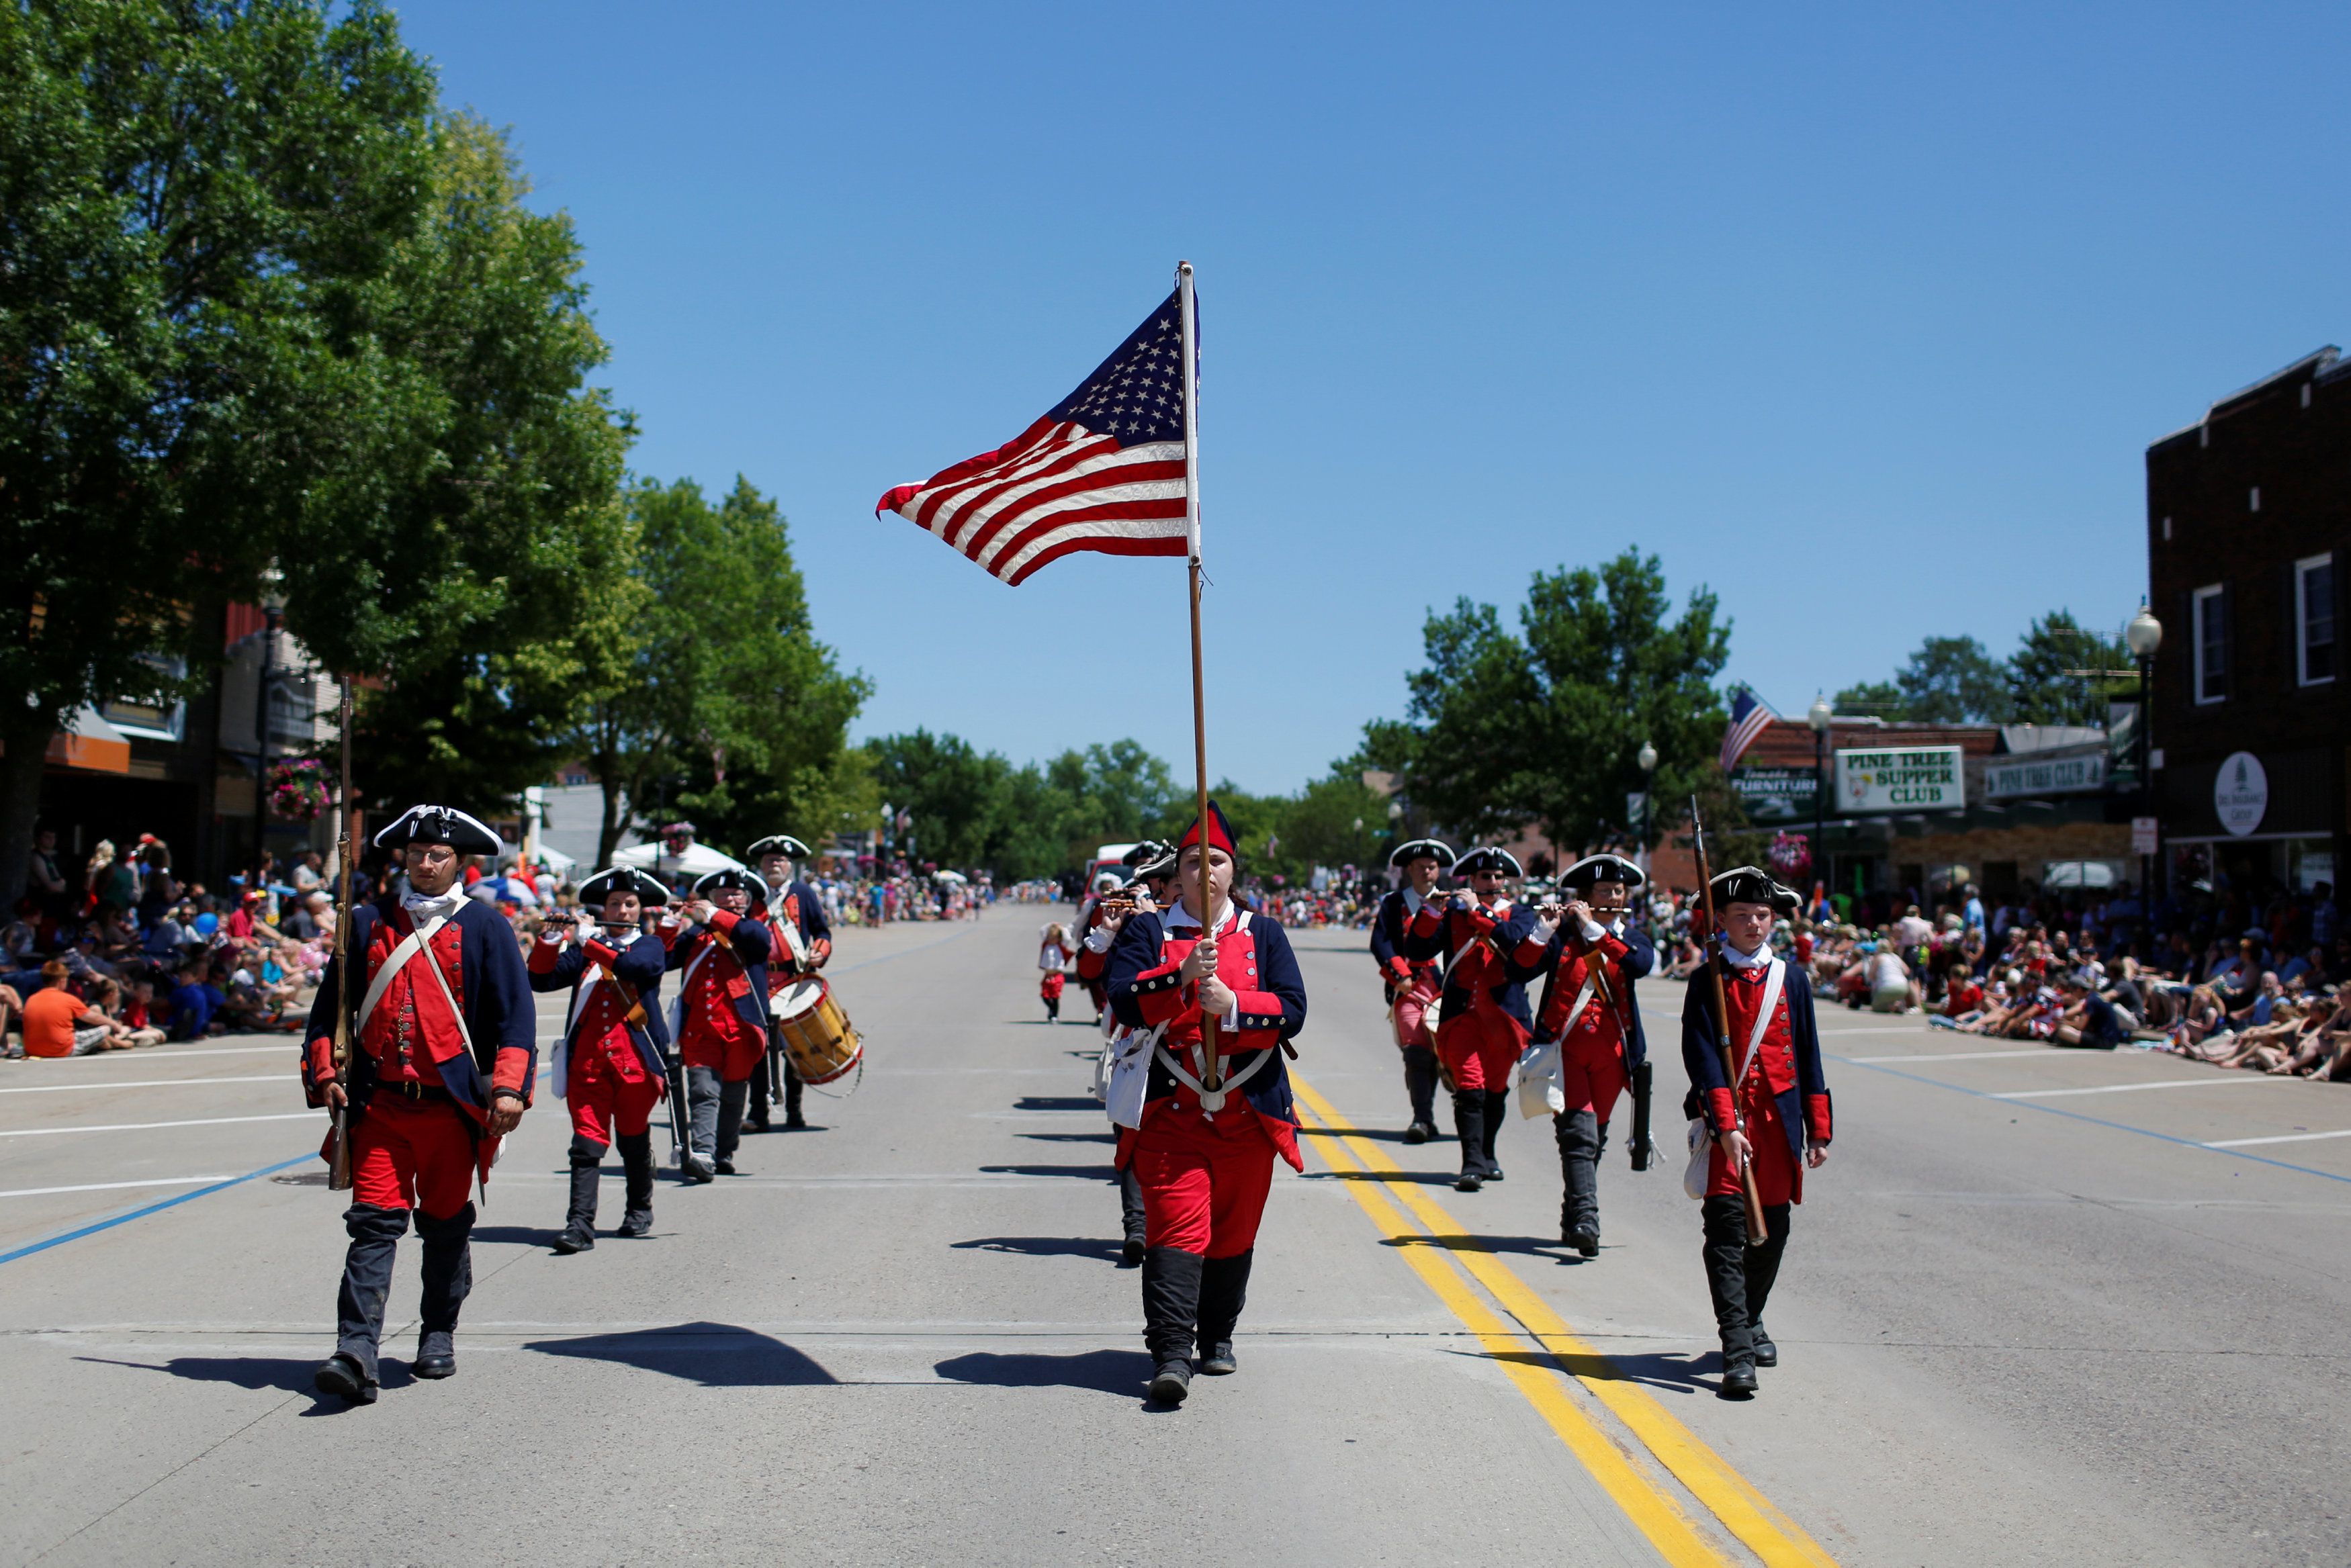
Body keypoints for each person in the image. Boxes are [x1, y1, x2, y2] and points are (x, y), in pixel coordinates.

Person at [300, 805, 537, 1406]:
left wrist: (508, 1086)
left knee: (444, 1229)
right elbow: (331, 1008)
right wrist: (326, 1071)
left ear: (461, 862)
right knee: (373, 1228)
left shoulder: (486, 926)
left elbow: (515, 1016)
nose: (425, 863)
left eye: (438, 855)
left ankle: (438, 1331)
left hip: (452, 1113)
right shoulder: (366, 922)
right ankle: (356, 1349)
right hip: (379, 1109)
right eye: (416, 854)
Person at [1106, 801, 1306, 1407]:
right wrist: (1181, 975)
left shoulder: (1263, 932)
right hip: (1173, 1114)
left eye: (1216, 860)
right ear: (1179, 871)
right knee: (1174, 1230)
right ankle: (1170, 1351)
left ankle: (1217, 1334)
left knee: (1232, 1234)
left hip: (1248, 1114)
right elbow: (1122, 999)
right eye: (1194, 861)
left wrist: (1235, 1007)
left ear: (1232, 870)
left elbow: (1293, 1008)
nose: (1206, 871)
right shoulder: (1148, 931)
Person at [1683, 866, 1830, 1398]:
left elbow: (1809, 1054)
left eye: (1762, 914)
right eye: (1741, 914)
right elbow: (1702, 1059)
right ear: (1720, 919)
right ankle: (1737, 1349)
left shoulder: (1791, 978)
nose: (1753, 923)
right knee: (1725, 1234)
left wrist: (1819, 1130)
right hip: (1731, 1125)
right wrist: (1724, 1126)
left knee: (1771, 1231)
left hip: (1779, 1127)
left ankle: (1752, 1316)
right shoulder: (1707, 979)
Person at [530, 866, 674, 1252]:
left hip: (635, 1067)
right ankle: (579, 1226)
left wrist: (589, 940)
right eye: (614, 903)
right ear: (603, 906)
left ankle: (639, 1208)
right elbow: (541, 980)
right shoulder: (584, 949)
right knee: (586, 1145)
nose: (622, 910)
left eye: (629, 904)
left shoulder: (649, 945)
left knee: (632, 1138)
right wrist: (550, 940)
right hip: (588, 1066)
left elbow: (637, 968)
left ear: (641, 910)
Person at [1523, 853, 1655, 1257]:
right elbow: (1519, 970)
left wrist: (1593, 926)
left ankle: (1573, 1212)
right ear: (1584, 895)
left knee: (1593, 1136)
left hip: (1613, 1056)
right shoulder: (1563, 935)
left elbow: (1639, 966)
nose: (1613, 897)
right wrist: (1543, 932)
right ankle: (1587, 1219)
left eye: (1618, 891)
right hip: (1565, 1052)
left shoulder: (1631, 938)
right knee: (1578, 1135)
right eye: (1603, 891)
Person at [1409, 846, 1540, 1191]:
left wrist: (1478, 910)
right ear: (1472, 879)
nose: (1494, 881)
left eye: (1499, 877)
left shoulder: (1520, 914)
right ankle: (1470, 1162)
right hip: (1462, 1016)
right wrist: (1432, 914)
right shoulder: (1453, 912)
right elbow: (1418, 951)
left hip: (1505, 1019)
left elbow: (1514, 943)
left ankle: (1487, 1154)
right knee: (1470, 1088)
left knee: (1495, 1090)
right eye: (1486, 877)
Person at [1087, 843, 1178, 1264]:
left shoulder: (1227, 923)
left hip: (1195, 1053)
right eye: (1172, 883)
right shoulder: (1139, 925)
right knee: (1130, 1133)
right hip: (1138, 1044)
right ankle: (1136, 1227)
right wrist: (1109, 934)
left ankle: (1171, 1229)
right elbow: (1093, 977)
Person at [666, 866, 774, 1181]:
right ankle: (702, 1153)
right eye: (722, 894)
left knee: (732, 1094)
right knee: (702, 1091)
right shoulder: (697, 936)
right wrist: (670, 922)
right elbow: (661, 959)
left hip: (741, 1029)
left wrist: (713, 913)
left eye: (737, 893)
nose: (730, 897)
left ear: (747, 900)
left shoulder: (753, 930)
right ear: (711, 897)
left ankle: (724, 1150)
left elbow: (756, 940)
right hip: (701, 1031)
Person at [744, 835, 832, 1134]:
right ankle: (758, 1114)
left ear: (790, 865)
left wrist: (820, 951)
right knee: (759, 1050)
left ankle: (794, 1110)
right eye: (770, 861)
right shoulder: (751, 893)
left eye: (780, 860)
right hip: (757, 981)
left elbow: (822, 931)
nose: (775, 865)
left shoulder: (803, 893)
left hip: (793, 980)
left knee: (796, 1050)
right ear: (761, 865)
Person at [1368, 837, 1454, 1144]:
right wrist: (1400, 975)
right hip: (1409, 989)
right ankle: (1422, 1118)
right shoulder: (1394, 903)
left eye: (1431, 868)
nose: (1426, 873)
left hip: (1447, 988)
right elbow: (1380, 943)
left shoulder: (1452, 903)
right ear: (1409, 870)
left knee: (1449, 1054)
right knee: (1417, 1052)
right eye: (1420, 868)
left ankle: (1468, 1116)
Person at [21, 961, 112, 1056]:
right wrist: (115, 1025)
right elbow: (95, 1018)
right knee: (106, 1028)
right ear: (62, 980)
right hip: (62, 1050)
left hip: (33, 1050)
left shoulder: (31, 999)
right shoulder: (68, 999)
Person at [1039, 922, 1074, 1021]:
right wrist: (1051, 924)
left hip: (1058, 975)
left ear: (1058, 938)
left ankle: (1054, 1015)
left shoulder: (1060, 946)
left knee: (1055, 996)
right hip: (1048, 975)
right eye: (1050, 937)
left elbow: (1068, 937)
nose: (1051, 940)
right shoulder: (1046, 945)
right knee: (1045, 995)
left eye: (1054, 938)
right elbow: (1042, 931)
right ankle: (1051, 1008)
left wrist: (1060, 927)